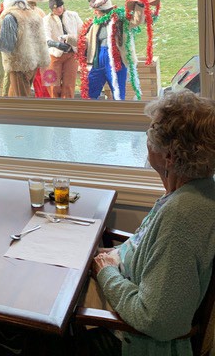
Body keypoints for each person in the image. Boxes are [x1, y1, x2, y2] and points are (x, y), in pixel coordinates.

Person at [82, 90, 215, 355]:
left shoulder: (182, 217)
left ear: (170, 156)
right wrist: (110, 256)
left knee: (42, 324)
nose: (146, 138)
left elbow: (157, 321)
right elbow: (150, 250)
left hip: (132, 338)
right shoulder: (194, 190)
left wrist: (106, 272)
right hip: (123, 282)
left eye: (151, 132)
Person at [77, 0, 159, 100]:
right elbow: (86, 41)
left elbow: (136, 20)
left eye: (97, 10)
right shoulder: (95, 24)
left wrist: (139, 5)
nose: (95, 12)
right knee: (89, 92)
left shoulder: (120, 19)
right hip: (98, 62)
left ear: (104, 10)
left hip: (116, 62)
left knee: (118, 94)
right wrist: (69, 40)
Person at [0, 0, 50, 97]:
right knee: (15, 97)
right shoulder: (33, 14)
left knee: (21, 100)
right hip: (33, 63)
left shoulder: (10, 17)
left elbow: (7, 45)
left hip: (19, 65)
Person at [43, 0, 83, 99]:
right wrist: (57, 44)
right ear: (52, 9)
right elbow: (45, 38)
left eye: (60, 7)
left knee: (69, 85)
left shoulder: (73, 15)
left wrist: (73, 40)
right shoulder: (47, 20)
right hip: (54, 55)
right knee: (53, 84)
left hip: (71, 54)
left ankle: (67, 104)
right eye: (56, 8)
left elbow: (82, 31)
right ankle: (54, 104)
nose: (59, 10)